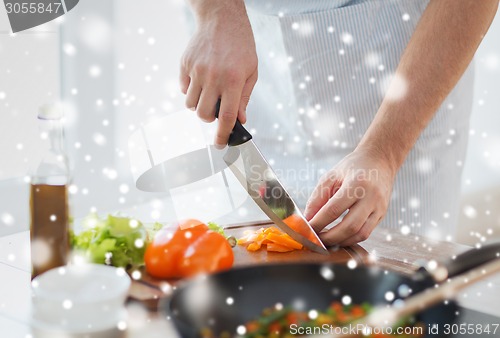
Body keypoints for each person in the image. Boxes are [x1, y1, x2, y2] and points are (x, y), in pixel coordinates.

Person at [179, 0, 498, 246]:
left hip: (406, 70)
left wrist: (385, 153)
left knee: (402, 307)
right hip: (243, 62)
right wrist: (215, 12)